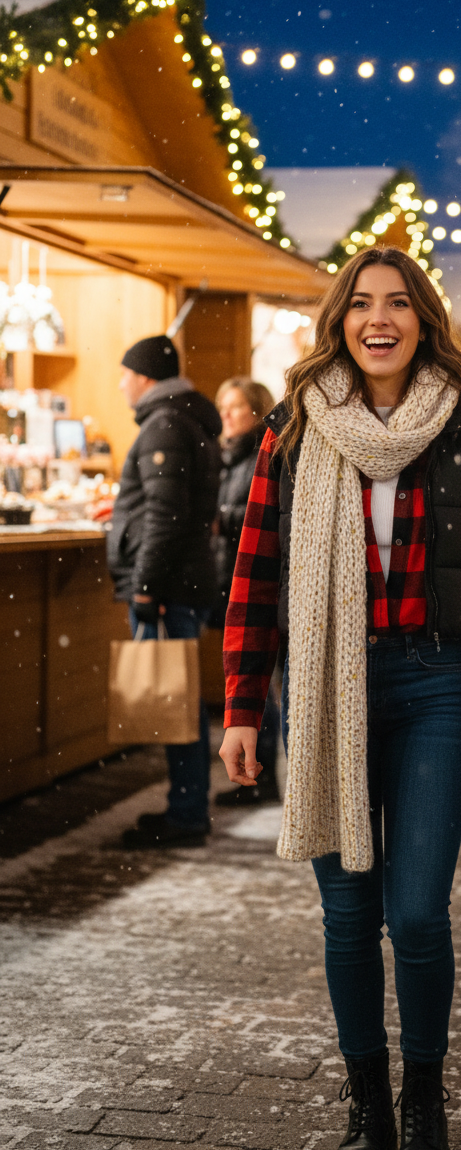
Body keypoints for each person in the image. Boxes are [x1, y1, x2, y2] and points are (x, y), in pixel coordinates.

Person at [219, 248, 461, 1150]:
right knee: (350, 914)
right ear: (340, 319)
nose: (379, 318)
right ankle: (367, 1107)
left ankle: (425, 1105)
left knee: (416, 912)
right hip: (327, 686)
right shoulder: (295, 426)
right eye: (361, 303)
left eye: (399, 303)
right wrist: (242, 705)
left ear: (425, 319)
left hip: (440, 684)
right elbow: (257, 572)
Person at [108, 335, 221, 849]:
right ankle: (186, 807)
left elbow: (166, 515)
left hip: (170, 584)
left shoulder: (165, 424)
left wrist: (146, 587)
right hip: (183, 580)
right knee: (181, 700)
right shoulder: (181, 418)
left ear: (147, 377)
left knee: (178, 703)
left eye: (127, 373)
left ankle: (187, 815)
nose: (122, 382)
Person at [210, 377, 281, 807]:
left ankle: (263, 771)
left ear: (256, 411)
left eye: (235, 407)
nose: (227, 415)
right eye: (223, 406)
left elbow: (258, 515)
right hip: (234, 582)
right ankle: (259, 770)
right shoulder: (228, 456)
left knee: (263, 685)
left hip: (262, 585)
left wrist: (220, 517)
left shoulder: (262, 452)